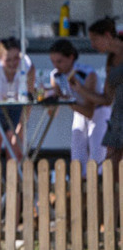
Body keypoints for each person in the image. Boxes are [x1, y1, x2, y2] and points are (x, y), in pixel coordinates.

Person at [0, 36, 35, 216]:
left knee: (16, 158)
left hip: (16, 109)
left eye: (16, 58)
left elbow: (29, 101)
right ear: (0, 58)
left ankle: (14, 216)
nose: (13, 63)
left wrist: (20, 128)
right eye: (8, 60)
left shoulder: (27, 67)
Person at [70, 17, 123, 171]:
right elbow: (106, 99)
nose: (92, 45)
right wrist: (80, 90)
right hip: (118, 119)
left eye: (95, 39)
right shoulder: (111, 61)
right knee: (111, 167)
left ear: (107, 36)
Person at [48, 37, 109, 170]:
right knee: (77, 154)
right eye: (53, 62)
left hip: (98, 112)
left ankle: (98, 184)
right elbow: (54, 108)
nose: (56, 66)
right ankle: (80, 184)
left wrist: (67, 101)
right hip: (78, 111)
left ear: (71, 57)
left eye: (59, 61)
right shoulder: (55, 75)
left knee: (97, 154)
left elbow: (89, 111)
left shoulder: (86, 74)